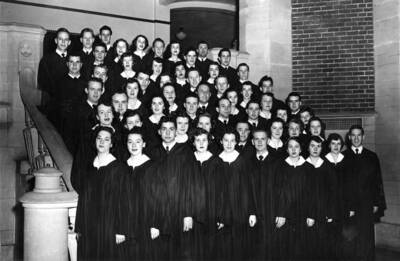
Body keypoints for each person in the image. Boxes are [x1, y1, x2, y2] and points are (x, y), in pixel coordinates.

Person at [146, 116, 205, 260]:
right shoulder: (152, 153)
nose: (167, 133)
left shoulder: (186, 153)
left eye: (171, 129)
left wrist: (189, 214)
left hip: (181, 213)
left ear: (176, 131)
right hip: (159, 214)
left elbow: (194, 184)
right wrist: (152, 220)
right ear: (159, 132)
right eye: (164, 129)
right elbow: (148, 189)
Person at [75, 126, 129, 260]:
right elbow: (83, 199)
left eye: (106, 139)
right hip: (89, 225)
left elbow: (124, 201)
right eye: (99, 138)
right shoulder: (89, 167)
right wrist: (79, 227)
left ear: (111, 144)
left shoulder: (119, 169)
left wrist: (121, 230)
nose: (101, 142)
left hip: (110, 226)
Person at [342, 125, 386, 261]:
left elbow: (377, 181)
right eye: (353, 135)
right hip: (349, 205)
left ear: (363, 137)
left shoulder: (372, 156)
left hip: (367, 203)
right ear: (349, 137)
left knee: (366, 236)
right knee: (349, 237)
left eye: (359, 135)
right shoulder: (343, 156)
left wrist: (377, 202)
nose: (356, 138)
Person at [216, 128, 256, 260]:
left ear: (236, 142)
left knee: (239, 248)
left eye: (232, 141)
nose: (229, 144)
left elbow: (249, 188)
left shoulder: (242, 161)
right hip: (221, 212)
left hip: (240, 212)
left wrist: (251, 212)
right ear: (221, 141)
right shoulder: (216, 161)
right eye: (226, 140)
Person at [272, 136, 310, 260]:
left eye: (296, 147)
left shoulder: (307, 167)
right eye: (290, 147)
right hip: (285, 215)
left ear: (301, 149)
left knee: (302, 249)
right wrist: (280, 213)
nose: (293, 149)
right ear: (287, 150)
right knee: (285, 249)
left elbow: (311, 193)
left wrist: (311, 214)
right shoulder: (280, 166)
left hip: (303, 214)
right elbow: (278, 192)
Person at [191, 127, 226, 260]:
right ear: (193, 143)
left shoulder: (217, 162)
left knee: (210, 251)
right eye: (197, 140)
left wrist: (221, 216)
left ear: (209, 142)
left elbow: (222, 192)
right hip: (191, 214)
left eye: (204, 140)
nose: (201, 143)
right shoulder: (188, 161)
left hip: (211, 213)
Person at [304, 136, 338, 259]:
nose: (315, 149)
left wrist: (330, 213)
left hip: (324, 212)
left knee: (323, 247)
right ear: (307, 148)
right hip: (305, 213)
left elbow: (333, 192)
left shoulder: (327, 166)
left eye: (318, 146)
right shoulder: (302, 166)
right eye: (312, 145)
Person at [124, 127, 153, 260]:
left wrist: (155, 224)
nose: (134, 145)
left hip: (146, 221)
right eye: (130, 142)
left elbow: (157, 198)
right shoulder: (122, 167)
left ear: (144, 144)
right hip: (127, 221)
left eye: (138, 141)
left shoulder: (152, 167)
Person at [250, 128, 277, 260]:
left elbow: (282, 190)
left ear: (268, 141)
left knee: (272, 249)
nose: (260, 142)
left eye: (263, 139)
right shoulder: (247, 162)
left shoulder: (277, 162)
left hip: (273, 211)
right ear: (252, 142)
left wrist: (281, 212)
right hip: (254, 211)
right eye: (256, 139)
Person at [56, 52, 86, 152]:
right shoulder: (60, 82)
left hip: (82, 126)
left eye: (77, 62)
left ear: (81, 64)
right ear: (67, 64)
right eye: (71, 62)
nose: (74, 65)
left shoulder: (86, 82)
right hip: (65, 125)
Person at [38, 27, 70, 117]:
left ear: (69, 42)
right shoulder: (46, 59)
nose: (63, 42)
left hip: (69, 105)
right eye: (60, 39)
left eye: (66, 39)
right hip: (53, 103)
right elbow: (43, 83)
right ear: (56, 40)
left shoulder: (73, 60)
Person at [325, 133, 347, 259]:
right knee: (328, 237)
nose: (336, 146)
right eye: (333, 143)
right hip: (328, 205)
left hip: (342, 205)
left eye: (339, 143)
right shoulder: (323, 161)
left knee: (341, 237)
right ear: (328, 145)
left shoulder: (346, 161)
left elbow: (350, 185)